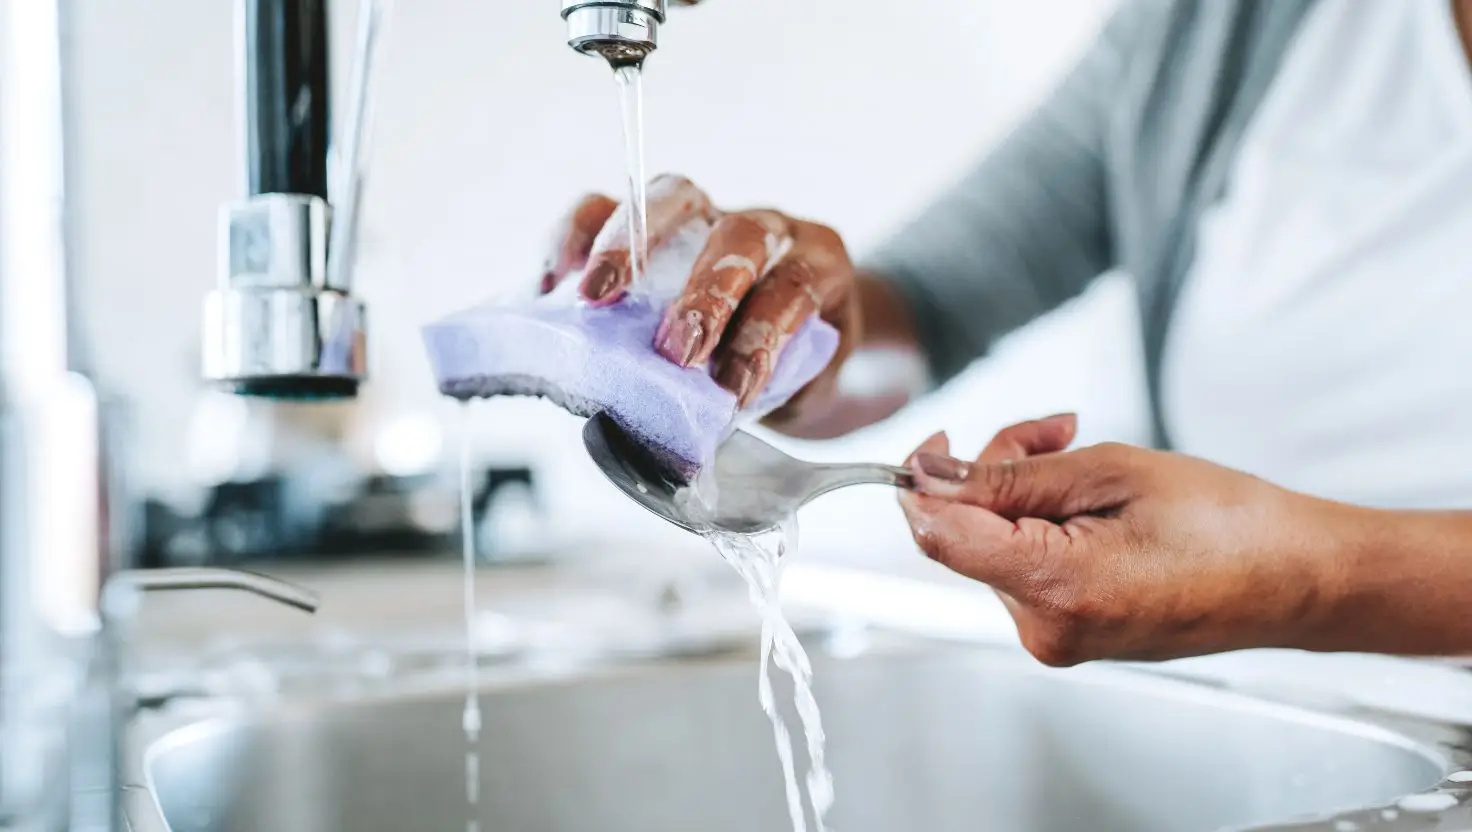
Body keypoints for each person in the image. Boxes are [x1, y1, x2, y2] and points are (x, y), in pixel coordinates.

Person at [539, 0, 1472, 663]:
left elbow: (1304, 577)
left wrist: (1310, 579)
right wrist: (789, 339)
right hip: (1299, 748)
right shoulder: (1218, 29)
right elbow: (931, 302)